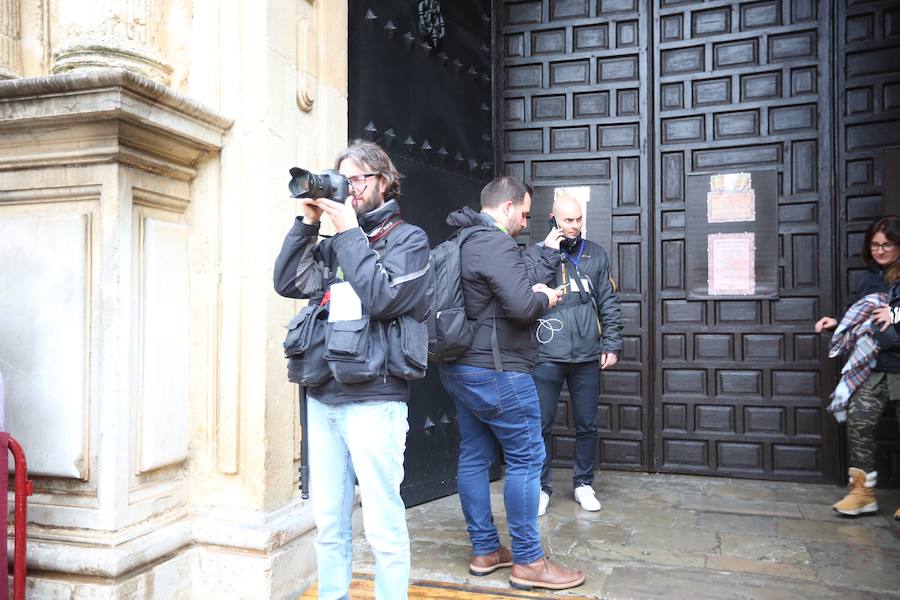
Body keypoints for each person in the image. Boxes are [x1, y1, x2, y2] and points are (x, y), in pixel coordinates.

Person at [274, 140, 433, 599]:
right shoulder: (334, 242)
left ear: (383, 182)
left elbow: (384, 299)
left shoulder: (410, 240)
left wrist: (347, 233)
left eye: (358, 179)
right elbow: (287, 281)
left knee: (382, 525)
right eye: (343, 180)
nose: (350, 189)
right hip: (324, 398)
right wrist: (308, 222)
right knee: (328, 524)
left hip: (375, 401)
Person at [438, 176, 585, 591]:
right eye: (523, 213)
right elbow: (521, 307)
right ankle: (529, 561)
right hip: (499, 372)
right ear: (506, 208)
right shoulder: (496, 242)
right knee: (526, 458)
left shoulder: (462, 240)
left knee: (473, 455)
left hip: (463, 367)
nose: (524, 222)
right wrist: (546, 299)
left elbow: (495, 296)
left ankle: (486, 550)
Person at [532, 192, 622, 516]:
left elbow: (609, 301)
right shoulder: (537, 254)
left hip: (586, 354)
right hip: (548, 353)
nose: (574, 226)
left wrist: (611, 343)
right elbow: (529, 291)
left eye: (578, 219)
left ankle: (583, 483)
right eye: (567, 220)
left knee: (587, 423)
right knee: (541, 424)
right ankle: (541, 488)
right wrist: (548, 254)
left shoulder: (595, 254)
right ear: (554, 219)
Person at [816, 215, 900, 521]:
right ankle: (862, 493)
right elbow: (860, 312)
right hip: (877, 363)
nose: (880, 251)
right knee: (859, 422)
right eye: (875, 245)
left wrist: (897, 314)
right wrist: (838, 322)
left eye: (887, 244)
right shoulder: (870, 278)